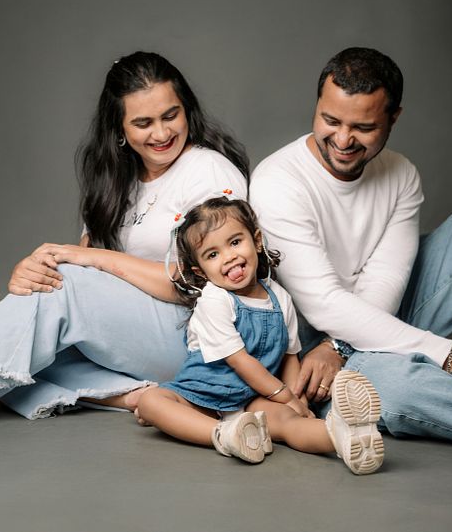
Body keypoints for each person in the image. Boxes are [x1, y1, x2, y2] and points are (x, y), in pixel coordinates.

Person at [0, 51, 248, 419]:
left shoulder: (208, 170)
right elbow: (80, 271)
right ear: (119, 130)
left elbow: (195, 281)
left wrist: (90, 259)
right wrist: (32, 276)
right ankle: (134, 395)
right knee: (37, 338)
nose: (161, 133)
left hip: (201, 336)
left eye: (170, 115)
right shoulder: (116, 178)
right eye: (143, 123)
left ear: (187, 109)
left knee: (59, 299)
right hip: (139, 337)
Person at [250, 46, 452, 443]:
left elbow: (387, 279)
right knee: (400, 391)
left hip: (375, 319)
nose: (343, 139)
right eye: (330, 120)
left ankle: (398, 358)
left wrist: (339, 345)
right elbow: (324, 303)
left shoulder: (401, 173)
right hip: (308, 350)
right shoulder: (278, 180)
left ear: (393, 118)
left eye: (363, 127)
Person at [135, 195, 384, 474]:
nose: (229, 256)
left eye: (235, 242)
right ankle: (223, 434)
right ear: (200, 272)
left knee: (289, 423)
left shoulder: (280, 297)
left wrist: (299, 403)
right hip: (200, 397)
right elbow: (240, 361)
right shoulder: (215, 300)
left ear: (256, 240)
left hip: (252, 400)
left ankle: (341, 435)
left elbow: (290, 358)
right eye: (212, 255)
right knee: (151, 401)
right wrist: (284, 396)